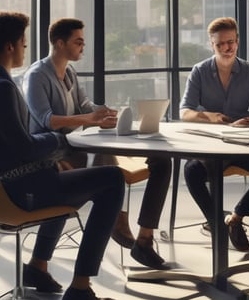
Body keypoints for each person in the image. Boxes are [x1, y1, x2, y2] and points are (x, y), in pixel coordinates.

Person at [0, 11, 124, 300]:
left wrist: (49, 162)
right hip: (12, 192)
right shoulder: (1, 87)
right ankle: (80, 288)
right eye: (23, 43)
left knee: (65, 176)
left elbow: (12, 146)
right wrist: (59, 139)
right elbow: (24, 147)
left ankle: (37, 266)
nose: (25, 48)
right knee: (112, 180)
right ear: (10, 46)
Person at [23, 17, 172, 269]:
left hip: (77, 147)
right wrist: (89, 119)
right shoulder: (37, 75)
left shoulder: (69, 72)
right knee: (111, 176)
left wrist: (103, 112)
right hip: (54, 155)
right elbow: (47, 119)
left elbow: (84, 105)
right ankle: (118, 221)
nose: (83, 46)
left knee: (161, 161)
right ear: (59, 43)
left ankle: (140, 235)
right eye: (78, 42)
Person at [179, 17, 249, 252]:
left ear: (237, 41)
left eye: (230, 42)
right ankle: (218, 225)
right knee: (191, 171)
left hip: (240, 146)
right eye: (220, 44)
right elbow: (184, 112)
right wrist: (210, 116)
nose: (227, 48)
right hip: (210, 147)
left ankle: (235, 218)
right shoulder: (199, 71)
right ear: (212, 45)